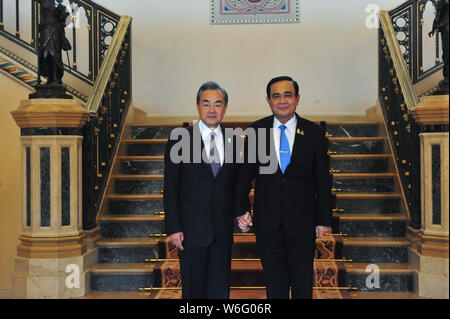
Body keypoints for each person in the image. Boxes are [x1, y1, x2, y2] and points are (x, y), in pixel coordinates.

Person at [235, 76, 333, 299]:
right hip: (267, 223)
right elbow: (244, 175)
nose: (282, 100)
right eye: (276, 96)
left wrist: (324, 219)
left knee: (302, 285)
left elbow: (323, 180)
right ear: (268, 101)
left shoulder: (314, 133)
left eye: (287, 95)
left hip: (303, 222)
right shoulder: (256, 130)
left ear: (297, 99)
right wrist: (241, 209)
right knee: (275, 285)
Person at [164, 81, 244, 299]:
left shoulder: (235, 141)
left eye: (217, 104)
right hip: (191, 231)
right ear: (197, 106)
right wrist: (173, 227)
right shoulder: (179, 139)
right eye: (206, 104)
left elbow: (235, 186)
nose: (212, 110)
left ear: (225, 108)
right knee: (194, 291)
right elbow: (170, 187)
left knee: (220, 290)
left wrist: (241, 214)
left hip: (222, 231)